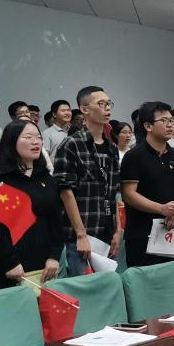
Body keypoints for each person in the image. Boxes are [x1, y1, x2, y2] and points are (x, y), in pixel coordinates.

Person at [0, 121, 63, 291]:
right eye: (28, 137)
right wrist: (9, 262)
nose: (36, 142)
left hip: (44, 263)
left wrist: (54, 256)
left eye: (38, 137)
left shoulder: (46, 178)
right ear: (11, 141)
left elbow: (56, 219)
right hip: (8, 266)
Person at [53, 86, 121, 277]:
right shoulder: (71, 144)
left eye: (109, 103)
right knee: (83, 289)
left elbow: (113, 192)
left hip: (107, 233)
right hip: (81, 236)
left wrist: (118, 230)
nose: (107, 108)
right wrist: (81, 234)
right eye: (101, 104)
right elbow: (66, 192)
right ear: (84, 109)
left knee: (104, 287)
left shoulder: (112, 148)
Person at [120, 102, 174, 269]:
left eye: (171, 120)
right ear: (148, 126)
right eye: (164, 120)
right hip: (143, 233)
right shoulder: (134, 156)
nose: (170, 124)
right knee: (143, 279)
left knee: (173, 277)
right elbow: (128, 194)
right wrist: (161, 209)